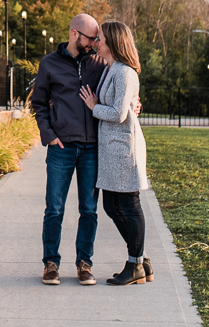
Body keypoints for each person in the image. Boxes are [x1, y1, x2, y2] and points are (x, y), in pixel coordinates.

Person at [31, 13, 105, 286]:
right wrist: (49, 135)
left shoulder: (99, 62)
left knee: (89, 209)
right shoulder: (49, 64)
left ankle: (84, 264)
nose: (94, 44)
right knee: (55, 208)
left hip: (91, 149)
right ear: (74, 34)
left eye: (97, 39)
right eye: (90, 38)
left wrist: (135, 103)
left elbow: (121, 84)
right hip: (61, 148)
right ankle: (51, 264)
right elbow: (39, 103)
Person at [78, 20, 152, 286]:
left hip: (123, 149)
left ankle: (135, 264)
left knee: (129, 206)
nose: (96, 43)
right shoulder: (111, 68)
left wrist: (93, 106)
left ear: (112, 42)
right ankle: (141, 259)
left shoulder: (124, 72)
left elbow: (120, 114)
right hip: (111, 150)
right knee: (111, 205)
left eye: (100, 39)